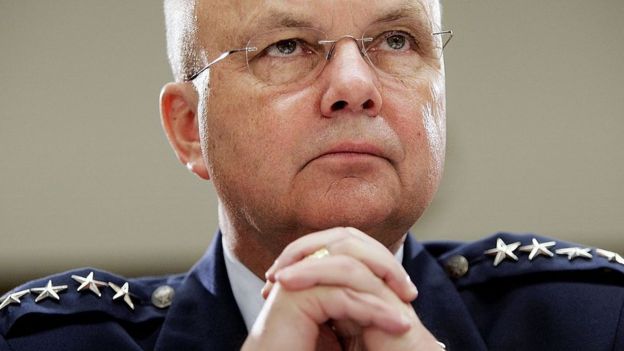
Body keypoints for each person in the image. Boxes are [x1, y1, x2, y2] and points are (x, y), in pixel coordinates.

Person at [1, 0, 623, 350]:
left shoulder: (594, 323)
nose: (355, 86)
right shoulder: (42, 345)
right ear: (191, 128)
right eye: (287, 46)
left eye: (398, 41)